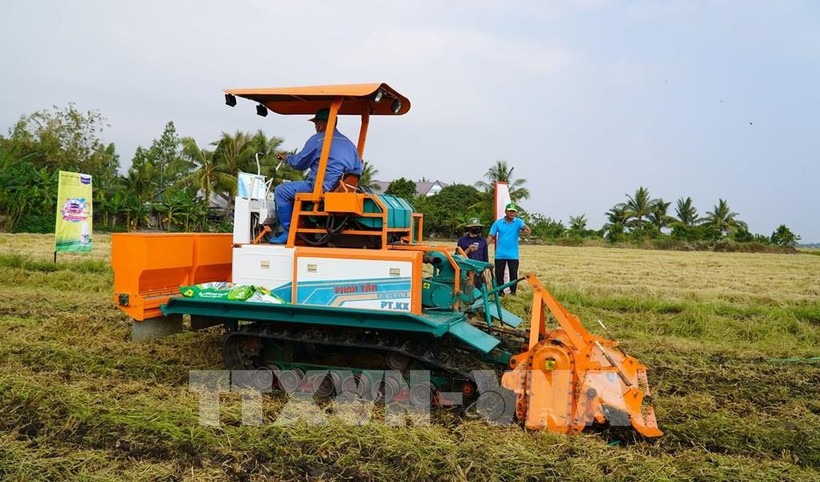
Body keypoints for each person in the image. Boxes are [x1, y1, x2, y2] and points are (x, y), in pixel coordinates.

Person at [270, 108, 363, 244]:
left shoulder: (318, 140)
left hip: (322, 188)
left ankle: (289, 233)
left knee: (281, 191)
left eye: (316, 123)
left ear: (321, 123)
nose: (315, 127)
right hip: (341, 190)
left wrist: (286, 158)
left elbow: (299, 163)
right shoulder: (349, 144)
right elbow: (358, 170)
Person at [487, 203, 531, 295]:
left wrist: (526, 229)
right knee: (499, 275)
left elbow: (524, 227)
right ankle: (500, 292)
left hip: (513, 255)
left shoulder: (518, 222)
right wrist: (484, 246)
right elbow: (491, 235)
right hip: (500, 254)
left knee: (513, 274)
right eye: (510, 211)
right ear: (505, 211)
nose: (512, 213)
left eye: (513, 211)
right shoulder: (498, 223)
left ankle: (513, 292)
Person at [457, 217, 489, 287]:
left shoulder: (483, 241)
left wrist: (486, 275)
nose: (476, 229)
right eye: (474, 227)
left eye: (478, 227)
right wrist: (468, 250)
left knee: (481, 292)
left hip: (479, 271)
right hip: (466, 271)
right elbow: (458, 258)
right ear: (470, 228)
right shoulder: (462, 241)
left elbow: (486, 259)